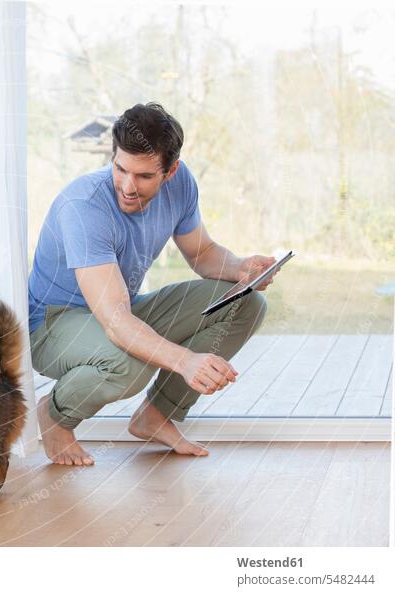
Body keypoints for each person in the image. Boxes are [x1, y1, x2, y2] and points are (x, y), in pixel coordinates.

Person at [28, 102, 275, 466]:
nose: (127, 186)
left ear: (170, 171)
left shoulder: (181, 184)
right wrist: (186, 361)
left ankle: (157, 414)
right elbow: (113, 320)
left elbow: (202, 252)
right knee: (130, 363)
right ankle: (55, 415)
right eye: (120, 169)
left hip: (120, 307)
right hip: (55, 323)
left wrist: (241, 269)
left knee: (245, 303)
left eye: (143, 176)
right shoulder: (84, 207)